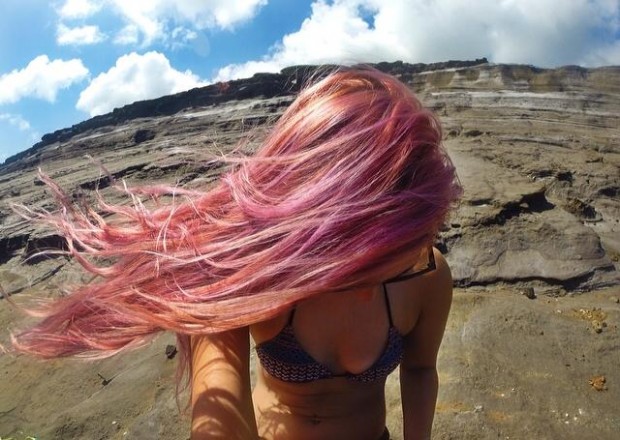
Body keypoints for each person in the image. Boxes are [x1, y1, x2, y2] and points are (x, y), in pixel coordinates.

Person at [10, 66, 461, 440]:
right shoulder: (245, 276)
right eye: (351, 272)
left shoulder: (426, 275)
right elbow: (218, 399)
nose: (367, 292)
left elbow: (421, 369)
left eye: (397, 263)